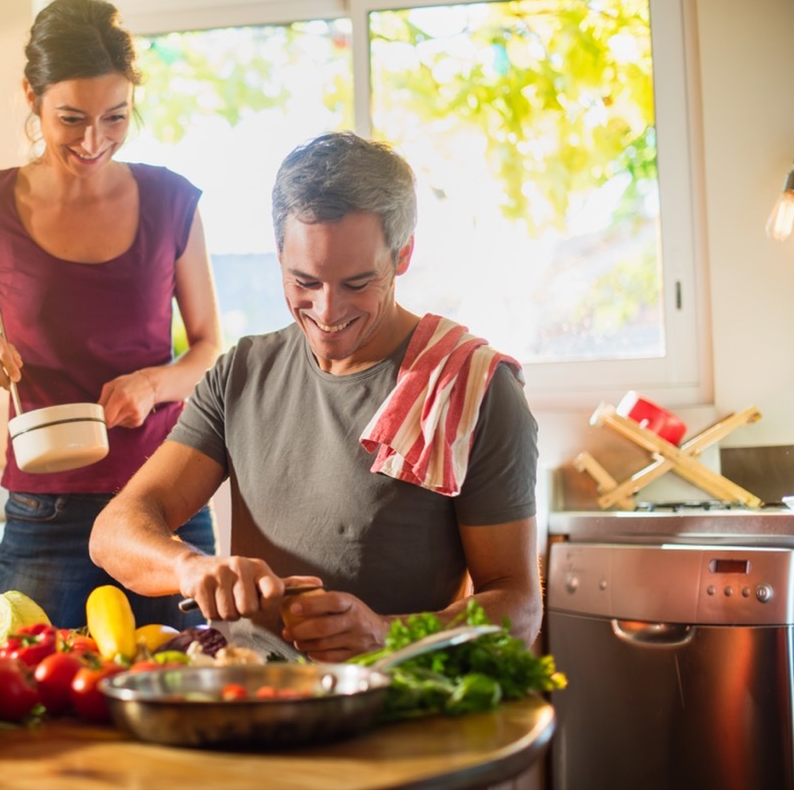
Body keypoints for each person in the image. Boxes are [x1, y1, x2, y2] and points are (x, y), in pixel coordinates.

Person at [90, 131, 542, 661]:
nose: (327, 312)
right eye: (304, 280)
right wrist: (191, 568)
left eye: (356, 283)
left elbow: (518, 606)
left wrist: (386, 632)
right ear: (278, 252)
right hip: (247, 685)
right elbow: (114, 531)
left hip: (389, 693)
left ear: (403, 254)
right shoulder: (241, 373)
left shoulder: (474, 388)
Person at [0, 0, 223, 631]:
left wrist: (153, 384)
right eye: (71, 118)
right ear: (31, 97)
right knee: (18, 702)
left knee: (188, 688)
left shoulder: (171, 200)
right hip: (46, 507)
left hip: (165, 500)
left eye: (115, 116)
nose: (94, 141)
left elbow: (209, 346)